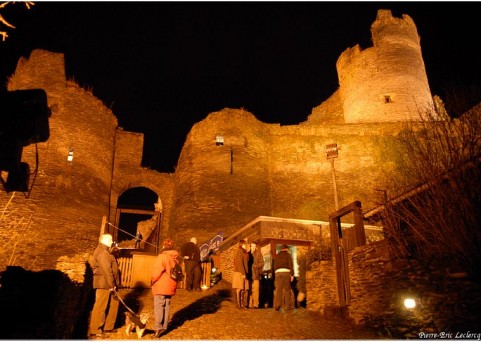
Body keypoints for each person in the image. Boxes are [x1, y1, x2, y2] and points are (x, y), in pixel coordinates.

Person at [89, 233, 120, 338]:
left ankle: (108, 327)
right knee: (101, 306)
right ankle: (95, 329)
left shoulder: (106, 252)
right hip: (104, 284)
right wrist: (111, 285)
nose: (112, 242)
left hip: (108, 283)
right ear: (104, 240)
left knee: (114, 303)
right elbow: (107, 270)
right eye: (110, 240)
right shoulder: (103, 253)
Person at [151, 238, 180, 338]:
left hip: (161, 285)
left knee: (159, 305)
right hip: (171, 284)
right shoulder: (175, 258)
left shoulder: (162, 256)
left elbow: (156, 271)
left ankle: (158, 328)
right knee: (166, 304)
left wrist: (152, 280)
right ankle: (164, 326)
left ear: (164, 246)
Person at [273, 244, 294, 311]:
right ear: (286, 249)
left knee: (279, 289)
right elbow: (291, 264)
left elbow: (275, 265)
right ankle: (287, 306)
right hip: (286, 272)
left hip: (278, 272)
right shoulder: (288, 255)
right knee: (287, 289)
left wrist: (275, 273)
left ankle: (277, 305)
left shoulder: (277, 256)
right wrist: (292, 274)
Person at [232, 239, 249, 309]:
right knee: (239, 288)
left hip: (241, 271)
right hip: (240, 272)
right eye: (245, 244)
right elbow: (239, 262)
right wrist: (243, 273)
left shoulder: (242, 252)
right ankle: (238, 304)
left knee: (242, 288)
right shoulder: (240, 251)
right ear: (242, 244)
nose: (246, 246)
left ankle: (241, 304)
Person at [248, 241, 265, 309]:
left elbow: (262, 263)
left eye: (255, 246)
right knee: (250, 290)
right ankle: (250, 304)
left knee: (256, 290)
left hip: (256, 274)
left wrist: (255, 266)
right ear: (250, 246)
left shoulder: (258, 254)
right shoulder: (248, 254)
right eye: (252, 246)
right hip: (249, 275)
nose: (253, 248)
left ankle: (255, 304)